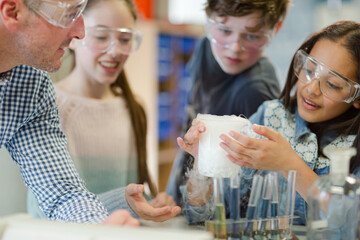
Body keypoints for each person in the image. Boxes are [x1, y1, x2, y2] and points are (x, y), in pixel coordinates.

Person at [0, 0, 178, 225]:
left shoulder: (31, 84)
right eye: (68, 15)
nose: (79, 32)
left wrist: (101, 228)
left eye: (124, 38)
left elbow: (62, 195)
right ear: (13, 12)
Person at [177, 20, 360, 225]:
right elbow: (201, 214)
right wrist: (204, 162)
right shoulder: (269, 117)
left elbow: (353, 224)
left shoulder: (354, 147)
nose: (311, 89)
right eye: (309, 70)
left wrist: (289, 164)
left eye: (333, 84)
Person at [166, 0, 291, 206]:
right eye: (224, 31)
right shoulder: (206, 48)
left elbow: (246, 193)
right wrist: (173, 197)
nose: (233, 48)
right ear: (208, 20)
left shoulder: (255, 91)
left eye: (251, 36)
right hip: (186, 195)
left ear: (275, 29)